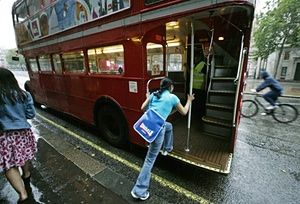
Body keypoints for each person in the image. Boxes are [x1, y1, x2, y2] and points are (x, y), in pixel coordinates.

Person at [131, 78, 194, 201]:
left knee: (168, 126)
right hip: (157, 130)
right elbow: (184, 112)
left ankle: (167, 148)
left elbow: (143, 108)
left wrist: (149, 100)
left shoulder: (154, 94)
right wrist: (189, 100)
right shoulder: (172, 98)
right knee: (149, 160)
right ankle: (139, 191)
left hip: (150, 126)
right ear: (170, 87)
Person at [0, 68, 37, 203]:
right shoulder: (25, 95)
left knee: (9, 165)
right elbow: (31, 114)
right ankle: (26, 175)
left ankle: (23, 194)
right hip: (23, 133)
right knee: (24, 155)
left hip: (5, 135)